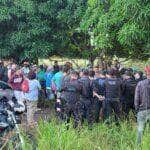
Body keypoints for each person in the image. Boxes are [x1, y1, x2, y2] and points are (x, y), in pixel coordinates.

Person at [134, 66, 150, 144]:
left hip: (142, 110)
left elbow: (136, 98)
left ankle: (138, 146)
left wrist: (137, 109)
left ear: (146, 74)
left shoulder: (140, 83)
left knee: (140, 129)